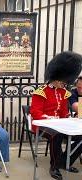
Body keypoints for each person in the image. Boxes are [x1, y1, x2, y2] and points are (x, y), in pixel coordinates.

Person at [30, 51, 82, 180]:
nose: (64, 83)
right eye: (62, 81)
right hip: (43, 126)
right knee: (56, 135)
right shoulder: (41, 92)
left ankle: (65, 161)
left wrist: (71, 117)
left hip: (60, 125)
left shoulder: (63, 93)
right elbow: (35, 113)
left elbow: (64, 112)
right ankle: (54, 167)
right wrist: (51, 119)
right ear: (54, 77)